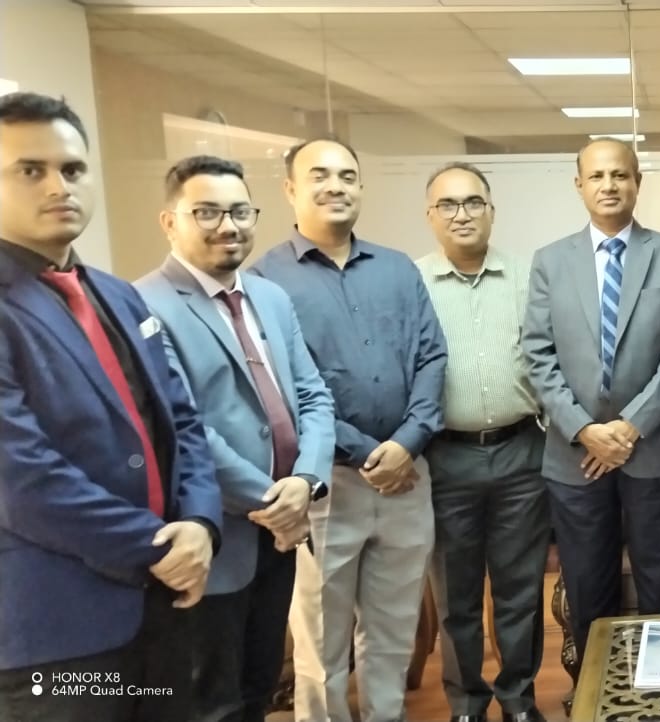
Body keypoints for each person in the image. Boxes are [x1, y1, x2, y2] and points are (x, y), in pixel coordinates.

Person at [0, 91, 222, 722]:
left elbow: (180, 421)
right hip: (57, 630)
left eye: (72, 169)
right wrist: (158, 547)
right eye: (30, 170)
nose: (58, 186)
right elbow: (21, 478)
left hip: (161, 608)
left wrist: (200, 523)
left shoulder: (118, 296)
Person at [250, 137, 447, 722]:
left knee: (392, 634)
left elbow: (432, 357)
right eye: (319, 175)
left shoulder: (397, 268)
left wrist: (407, 443)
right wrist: (369, 453)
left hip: (407, 480)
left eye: (346, 175)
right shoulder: (264, 282)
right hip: (323, 485)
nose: (335, 185)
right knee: (320, 644)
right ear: (290, 189)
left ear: (360, 186)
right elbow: (284, 391)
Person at [134, 154, 336, 722]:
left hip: (281, 535)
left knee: (259, 685)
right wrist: (274, 502)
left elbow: (314, 396)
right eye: (207, 212)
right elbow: (184, 428)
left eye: (240, 212)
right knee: (213, 701)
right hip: (215, 536)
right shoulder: (143, 304)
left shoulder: (270, 297)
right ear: (169, 221)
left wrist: (306, 482)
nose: (229, 225)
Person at [523, 138, 660, 669]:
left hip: (652, 448)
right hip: (575, 455)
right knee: (587, 584)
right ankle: (596, 689)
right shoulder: (550, 261)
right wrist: (585, 430)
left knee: (657, 581)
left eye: (620, 175)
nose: (609, 185)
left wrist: (629, 427)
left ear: (637, 182)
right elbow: (537, 354)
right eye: (597, 176)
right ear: (579, 185)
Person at [416, 162, 550, 722]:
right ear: (430, 216)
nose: (462, 214)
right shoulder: (413, 283)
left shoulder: (527, 276)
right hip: (445, 458)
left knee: (520, 591)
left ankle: (518, 700)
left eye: (473, 202)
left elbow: (550, 357)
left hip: (522, 454)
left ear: (492, 211)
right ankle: (467, 704)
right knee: (457, 596)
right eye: (448, 205)